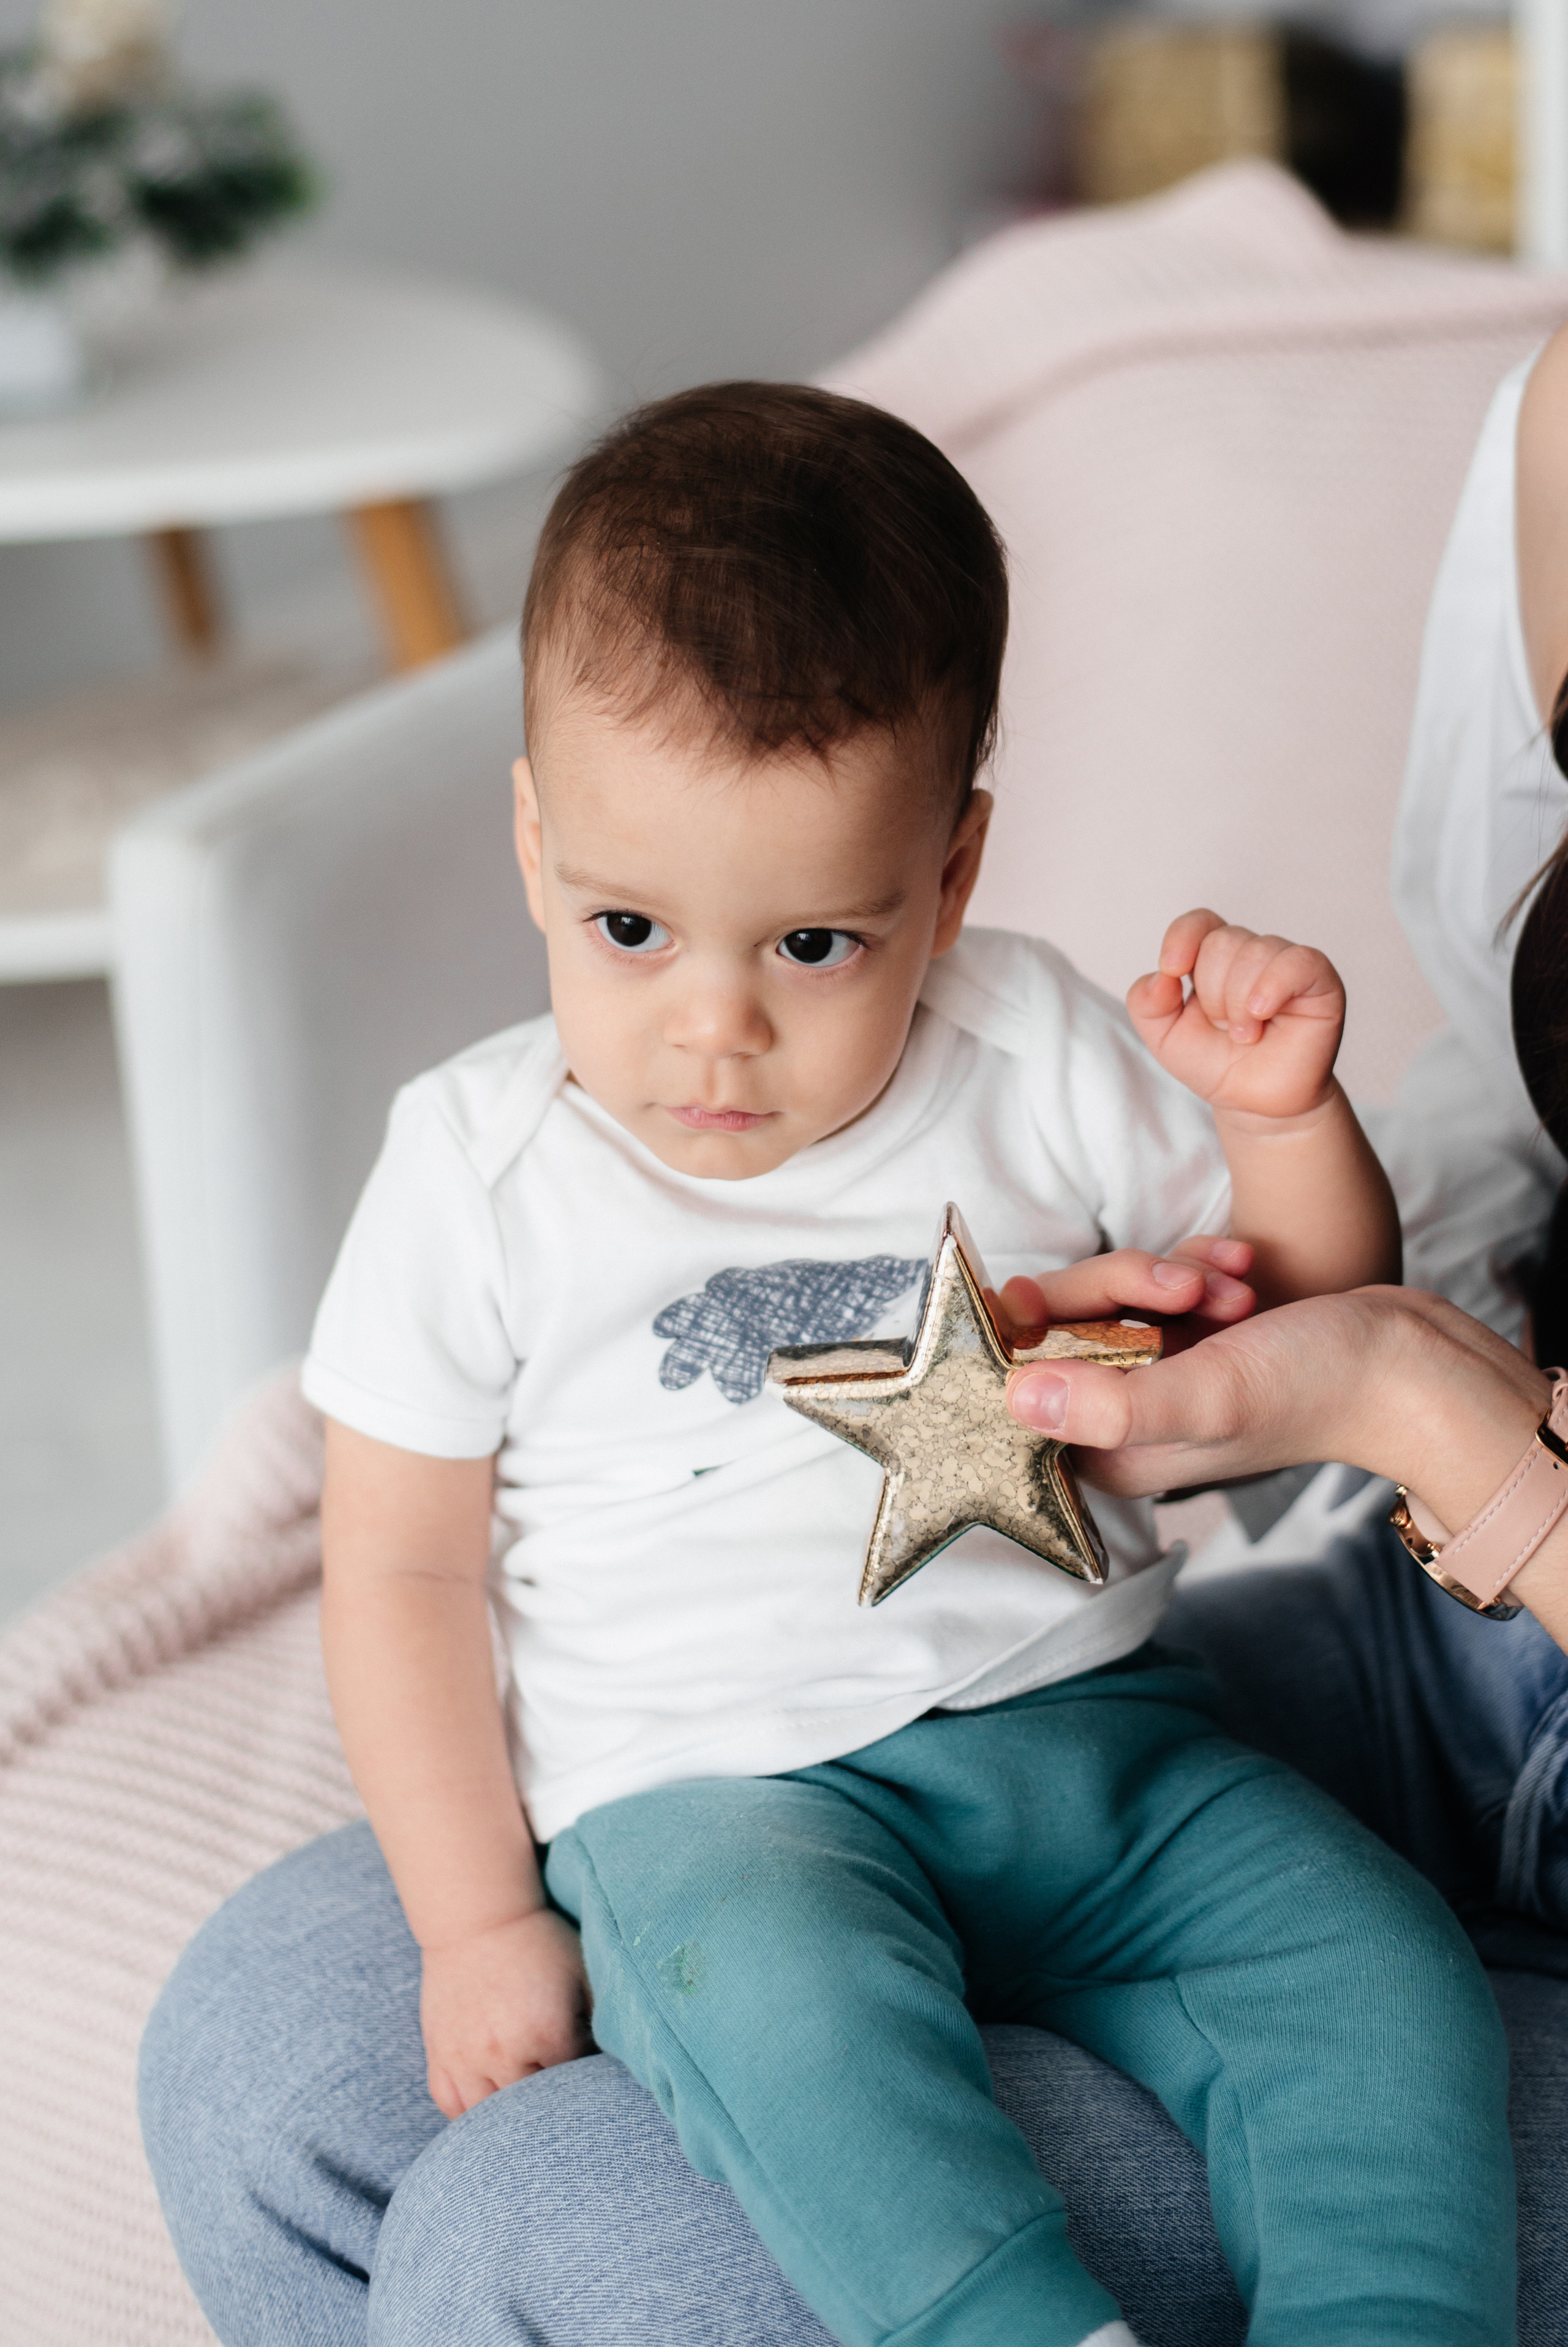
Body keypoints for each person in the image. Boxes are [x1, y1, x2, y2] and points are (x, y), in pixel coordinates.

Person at [140, 381, 1513, 2347]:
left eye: (810, 949)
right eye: (630, 927)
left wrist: (1285, 1122)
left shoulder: (1030, 1045)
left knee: (1368, 1966)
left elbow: (1316, 1338)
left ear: (947, 885)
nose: (711, 1033)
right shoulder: (482, 1171)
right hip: (719, 1798)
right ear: (534, 843)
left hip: (1099, 1739)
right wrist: (478, 1920)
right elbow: (403, 1569)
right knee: (791, 2035)